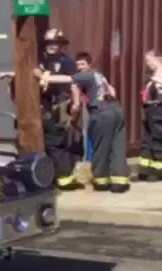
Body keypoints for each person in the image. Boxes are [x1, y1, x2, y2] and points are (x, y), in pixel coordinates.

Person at [0, 28, 82, 190]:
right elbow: (28, 74)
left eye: (55, 43)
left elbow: (73, 82)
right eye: (49, 43)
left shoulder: (67, 62)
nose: (52, 46)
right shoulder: (41, 60)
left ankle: (65, 180)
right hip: (42, 108)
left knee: (56, 144)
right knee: (44, 143)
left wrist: (76, 104)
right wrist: (10, 74)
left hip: (59, 108)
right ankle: (51, 177)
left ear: (61, 45)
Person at [37, 53, 130, 193]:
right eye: (78, 64)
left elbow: (69, 83)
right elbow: (113, 91)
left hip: (101, 113)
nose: (79, 67)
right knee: (117, 146)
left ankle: (101, 182)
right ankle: (120, 182)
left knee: (101, 147)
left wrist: (44, 76)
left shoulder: (84, 76)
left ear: (89, 64)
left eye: (82, 64)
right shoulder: (100, 76)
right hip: (116, 110)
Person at [138, 49, 162, 181]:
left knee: (160, 139)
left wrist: (155, 81)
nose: (148, 64)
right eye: (147, 61)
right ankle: (145, 170)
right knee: (148, 140)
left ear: (158, 59)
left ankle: (161, 171)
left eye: (149, 61)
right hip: (150, 110)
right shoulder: (154, 74)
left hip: (161, 110)